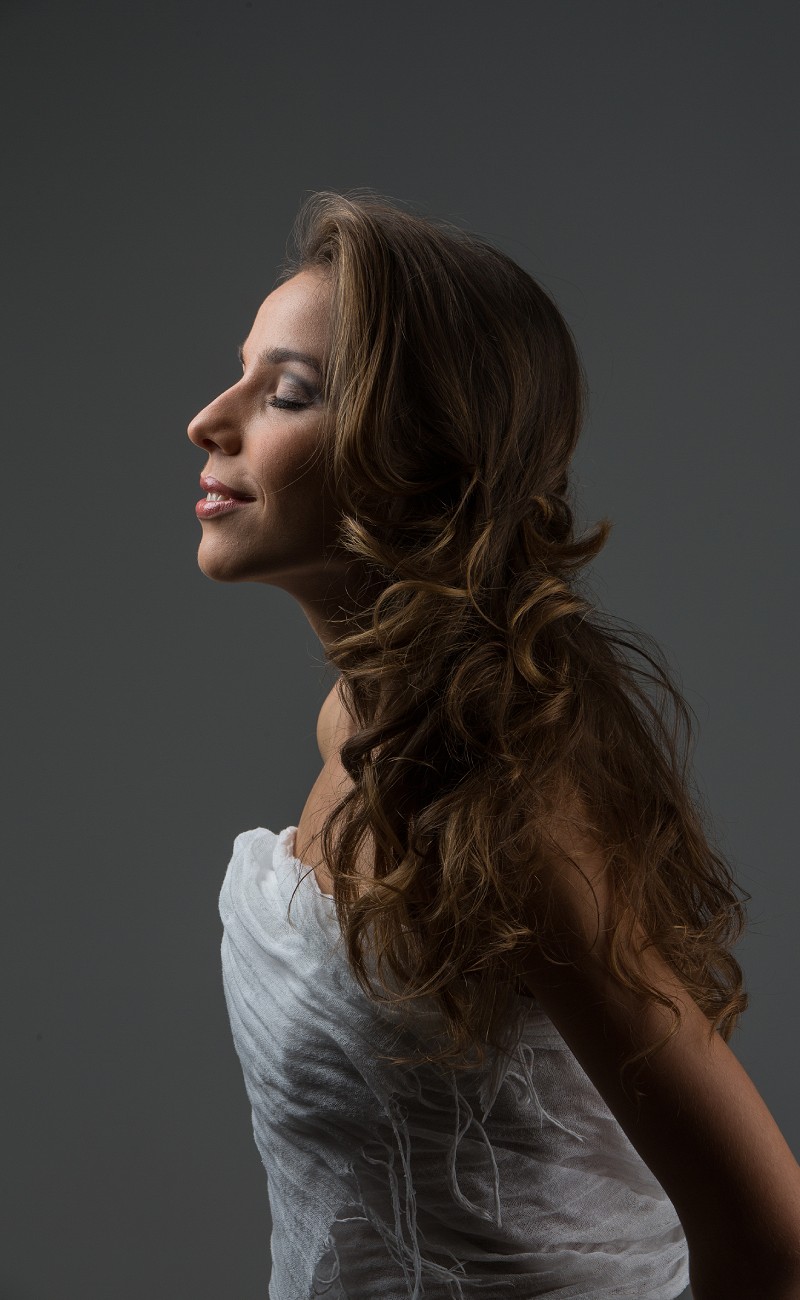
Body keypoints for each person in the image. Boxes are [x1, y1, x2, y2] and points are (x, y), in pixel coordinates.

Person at [187, 190, 800, 1299]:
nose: (209, 419)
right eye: (239, 373)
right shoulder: (355, 721)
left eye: (282, 392)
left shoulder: (510, 798)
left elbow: (767, 1237)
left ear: (410, 455)